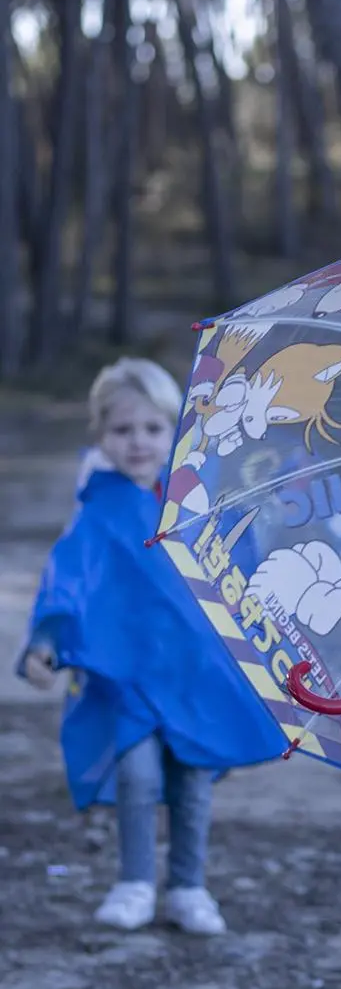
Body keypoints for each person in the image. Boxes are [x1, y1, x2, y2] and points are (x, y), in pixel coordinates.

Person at [17, 357, 286, 935]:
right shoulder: (100, 507)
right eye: (122, 430)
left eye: (151, 428)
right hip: (126, 675)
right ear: (100, 436)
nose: (137, 442)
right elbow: (68, 577)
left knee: (192, 778)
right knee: (136, 775)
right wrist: (45, 641)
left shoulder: (197, 502)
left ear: (175, 431)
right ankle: (135, 881)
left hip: (195, 671)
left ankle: (188, 886)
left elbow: (239, 569)